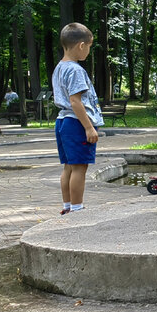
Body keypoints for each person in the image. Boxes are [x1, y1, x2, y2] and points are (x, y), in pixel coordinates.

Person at [52, 22, 103, 215]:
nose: (88, 51)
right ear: (81, 45)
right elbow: (76, 101)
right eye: (89, 47)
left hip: (63, 121)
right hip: (76, 123)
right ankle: (77, 208)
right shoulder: (75, 70)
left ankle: (67, 206)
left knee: (68, 168)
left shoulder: (60, 67)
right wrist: (89, 127)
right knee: (80, 168)